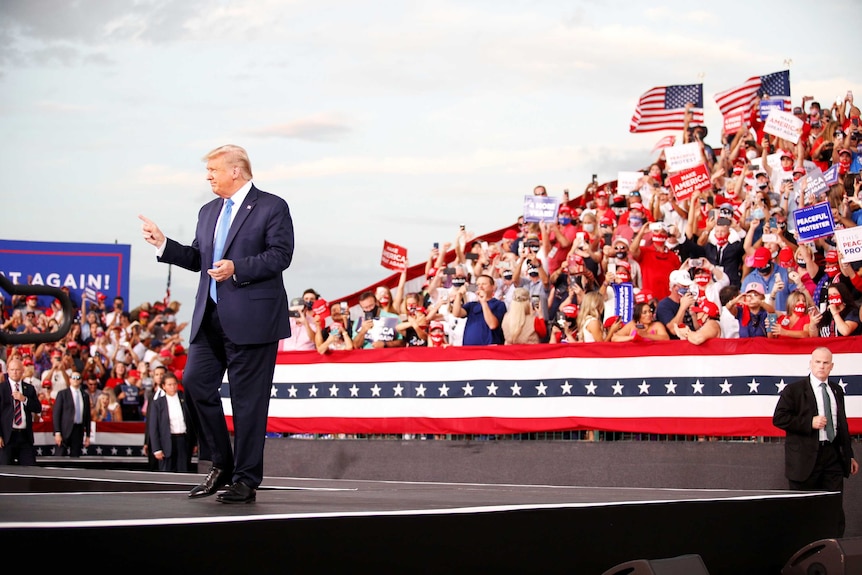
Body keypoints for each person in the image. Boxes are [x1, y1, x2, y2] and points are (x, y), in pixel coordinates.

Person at [139, 144, 294, 504]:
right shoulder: (208, 211)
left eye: (213, 170)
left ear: (236, 170)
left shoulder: (272, 206)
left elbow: (280, 255)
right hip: (209, 318)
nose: (207, 176)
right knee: (194, 381)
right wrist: (164, 244)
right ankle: (221, 463)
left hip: (253, 320)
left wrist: (237, 268)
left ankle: (245, 478)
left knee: (248, 403)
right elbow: (198, 258)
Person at [773, 347, 859, 537]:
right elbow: (779, 418)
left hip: (833, 456)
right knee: (803, 511)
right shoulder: (794, 390)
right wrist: (809, 422)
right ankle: (802, 556)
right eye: (818, 362)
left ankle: (835, 552)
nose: (821, 366)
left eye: (825, 363)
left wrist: (849, 455)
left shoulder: (836, 390)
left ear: (832, 366)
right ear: (811, 364)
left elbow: (841, 425)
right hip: (804, 459)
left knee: (834, 509)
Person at [148, 372, 197, 473]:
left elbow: (192, 422)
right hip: (166, 442)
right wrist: (157, 448)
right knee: (167, 471)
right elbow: (153, 427)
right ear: (163, 386)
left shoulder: (185, 399)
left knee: (183, 470)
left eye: (175, 384)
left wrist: (194, 442)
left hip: (183, 441)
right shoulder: (158, 403)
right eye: (169, 385)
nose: (173, 387)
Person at [0, 358, 42, 465]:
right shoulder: (2, 389)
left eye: (17, 369)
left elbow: (37, 408)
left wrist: (24, 399)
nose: (15, 372)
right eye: (12, 369)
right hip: (7, 437)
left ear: (22, 371)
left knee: (29, 469)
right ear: (7, 371)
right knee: (5, 471)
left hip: (25, 436)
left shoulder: (29, 388)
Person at [450, 273, 506, 345]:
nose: (480, 287)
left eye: (484, 284)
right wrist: (459, 295)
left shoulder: (498, 304)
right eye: (478, 284)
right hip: (470, 348)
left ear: (492, 287)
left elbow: (493, 325)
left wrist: (483, 302)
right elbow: (456, 313)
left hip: (489, 348)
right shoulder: (472, 305)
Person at [52, 371, 91, 457]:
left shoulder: (85, 395)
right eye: (73, 378)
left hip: (78, 429)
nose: (76, 380)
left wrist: (88, 435)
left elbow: (88, 416)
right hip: (64, 429)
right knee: (60, 454)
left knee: (76, 455)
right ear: (69, 380)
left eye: (78, 378)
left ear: (81, 380)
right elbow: (56, 414)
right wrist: (57, 432)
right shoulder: (62, 394)